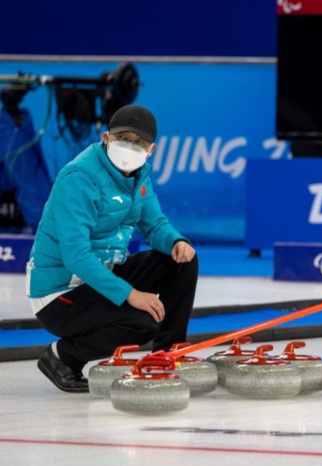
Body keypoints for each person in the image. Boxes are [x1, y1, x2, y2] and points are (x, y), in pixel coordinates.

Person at [27, 104, 199, 393]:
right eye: (123, 138)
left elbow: (155, 223)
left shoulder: (139, 174)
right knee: (142, 323)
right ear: (106, 137)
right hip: (60, 293)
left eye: (138, 142)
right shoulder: (80, 178)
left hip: (103, 275)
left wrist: (176, 241)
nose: (129, 147)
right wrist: (130, 295)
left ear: (151, 149)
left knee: (181, 261)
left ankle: (167, 355)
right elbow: (76, 255)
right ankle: (62, 357)